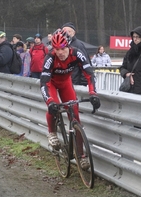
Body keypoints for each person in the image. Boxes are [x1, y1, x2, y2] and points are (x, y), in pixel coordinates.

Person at [40, 29, 100, 169]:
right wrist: (50, 101)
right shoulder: (50, 57)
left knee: (75, 116)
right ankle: (52, 133)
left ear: (68, 46)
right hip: (52, 84)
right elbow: (44, 82)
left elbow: (89, 74)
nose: (59, 52)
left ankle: (81, 155)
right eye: (56, 49)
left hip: (66, 83)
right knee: (53, 106)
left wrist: (93, 93)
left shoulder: (77, 53)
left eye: (62, 48)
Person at [62, 22, 91, 86]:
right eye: (64, 31)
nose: (66, 34)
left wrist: (83, 83)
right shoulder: (61, 46)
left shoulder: (78, 46)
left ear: (74, 33)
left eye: (69, 31)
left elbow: (86, 64)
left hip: (75, 83)